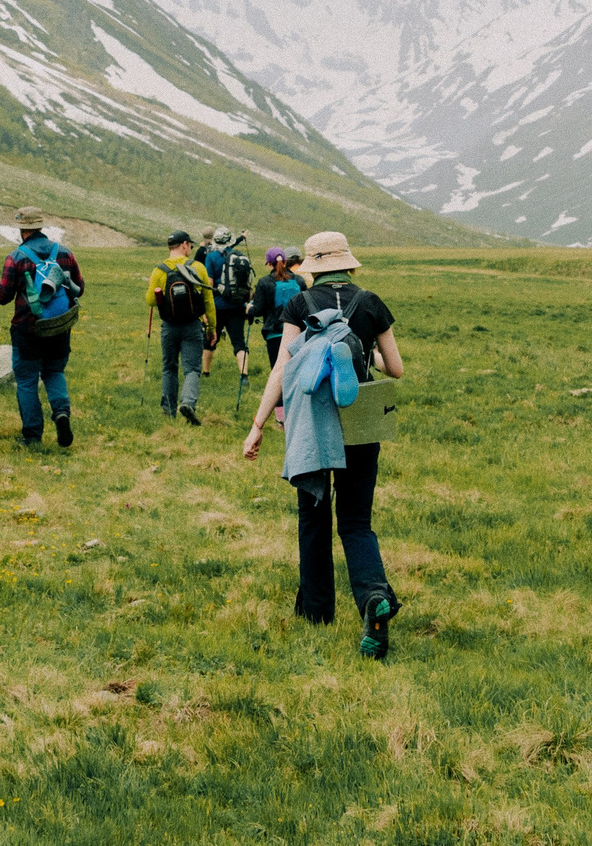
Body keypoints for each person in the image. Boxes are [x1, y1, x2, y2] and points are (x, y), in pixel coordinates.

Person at [240, 230, 405, 659]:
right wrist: (365, 353)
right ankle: (372, 599)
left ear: (311, 266)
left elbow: (283, 366)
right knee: (355, 520)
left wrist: (258, 424)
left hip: (313, 420)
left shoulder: (299, 303)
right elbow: (397, 369)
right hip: (360, 423)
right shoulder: (370, 303)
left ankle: (316, 613)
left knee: (313, 517)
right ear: (348, 263)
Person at [0, 206, 83, 446]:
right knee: (54, 372)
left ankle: (32, 436)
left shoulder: (16, 257)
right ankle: (61, 414)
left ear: (22, 230)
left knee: (28, 381)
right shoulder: (65, 253)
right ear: (40, 226)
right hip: (59, 326)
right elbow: (79, 286)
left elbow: (4, 296)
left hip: (27, 329)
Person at [144, 230, 216, 425]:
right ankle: (188, 402)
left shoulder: (159, 270)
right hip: (192, 325)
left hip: (169, 326)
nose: (191, 249)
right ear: (184, 245)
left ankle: (168, 411)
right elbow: (208, 299)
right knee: (192, 368)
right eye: (190, 246)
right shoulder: (198, 267)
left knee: (169, 367)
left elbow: (151, 300)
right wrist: (212, 328)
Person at [202, 227, 253, 381]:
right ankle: (244, 376)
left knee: (210, 339)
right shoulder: (239, 256)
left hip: (217, 306)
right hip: (237, 305)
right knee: (239, 342)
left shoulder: (211, 257)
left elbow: (209, 283)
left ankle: (206, 373)